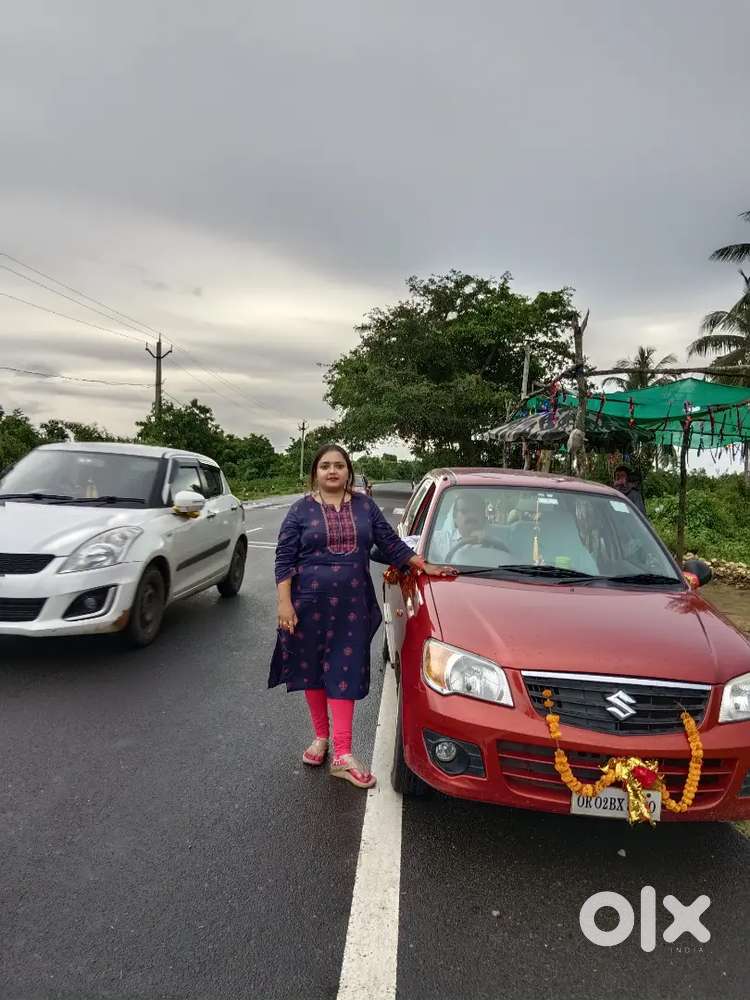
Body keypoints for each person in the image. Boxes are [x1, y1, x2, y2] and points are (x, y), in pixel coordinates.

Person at [269, 444, 456, 790]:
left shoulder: (364, 507)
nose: (332, 471)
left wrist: (423, 565)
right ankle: (320, 738)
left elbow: (390, 545)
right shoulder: (300, 511)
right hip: (306, 605)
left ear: (348, 471)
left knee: (344, 670)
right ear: (315, 473)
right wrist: (284, 604)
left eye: (338, 465)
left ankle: (342, 754)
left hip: (351, 606)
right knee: (312, 670)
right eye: (324, 466)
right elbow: (284, 559)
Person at [429, 492, 491, 562]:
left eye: (476, 511)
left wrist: (486, 543)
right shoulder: (440, 539)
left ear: (484, 517)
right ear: (455, 517)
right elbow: (414, 545)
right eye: (464, 511)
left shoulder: (493, 544)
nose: (471, 516)